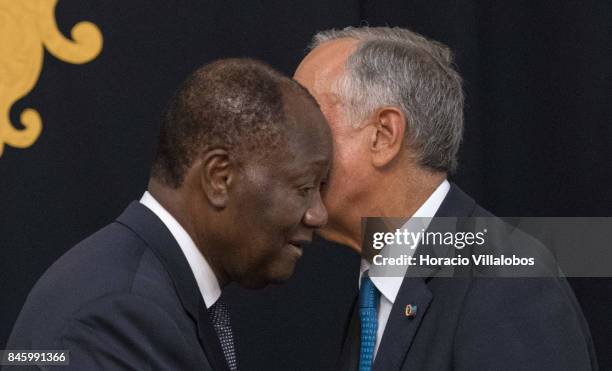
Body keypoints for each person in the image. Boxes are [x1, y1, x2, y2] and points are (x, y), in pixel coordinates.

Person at [294, 27, 598, 370]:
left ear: (384, 135)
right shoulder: (377, 288)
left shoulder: (506, 284)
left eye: (306, 122)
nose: (286, 150)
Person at [4, 58, 331, 370]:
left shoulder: (146, 290)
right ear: (219, 178)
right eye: (304, 188)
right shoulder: (120, 312)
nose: (318, 214)